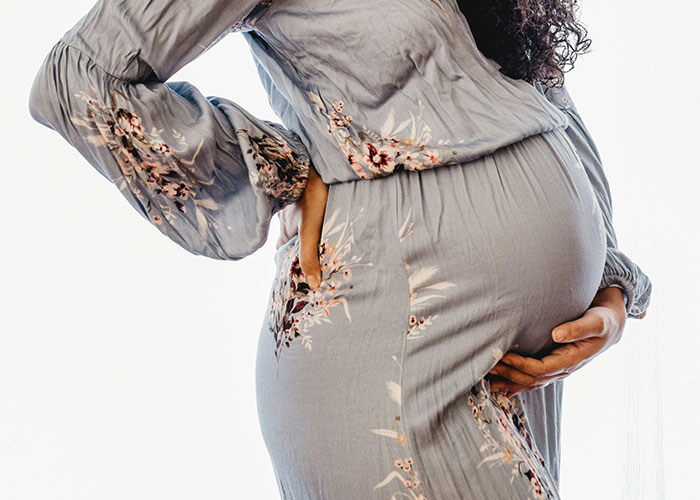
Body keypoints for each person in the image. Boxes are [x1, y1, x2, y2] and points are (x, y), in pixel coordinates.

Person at [28, 0, 652, 497]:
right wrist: (278, 165)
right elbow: (79, 79)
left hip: (516, 378)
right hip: (394, 356)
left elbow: (538, 92)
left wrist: (609, 284)